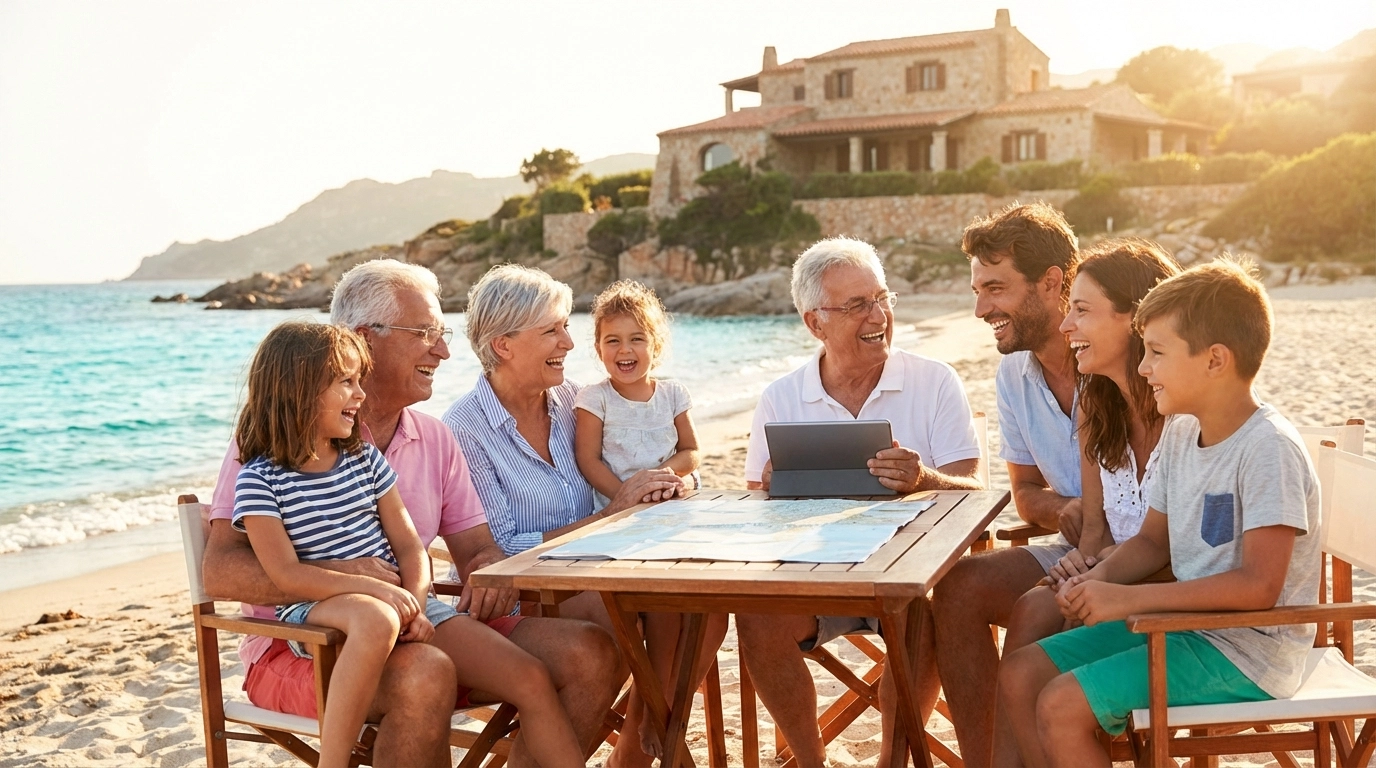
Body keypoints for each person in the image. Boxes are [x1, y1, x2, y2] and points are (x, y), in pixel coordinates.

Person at [202, 259, 620, 766]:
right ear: (363, 338)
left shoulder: (435, 438)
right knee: (424, 673)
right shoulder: (267, 445)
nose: (444, 350)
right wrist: (350, 580)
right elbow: (221, 570)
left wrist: (488, 572)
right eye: (425, 333)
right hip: (297, 645)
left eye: (441, 333)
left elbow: (476, 551)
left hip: (420, 618)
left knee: (588, 654)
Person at [999, 258, 1322, 767]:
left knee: (1062, 706)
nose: (1143, 366)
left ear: (1215, 360)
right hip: (1184, 628)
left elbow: (1260, 587)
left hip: (1247, 653)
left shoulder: (1267, 449)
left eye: (1156, 353)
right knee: (1022, 674)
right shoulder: (1180, 432)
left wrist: (1128, 601)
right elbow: (1151, 542)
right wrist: (1095, 583)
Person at [736, 236, 983, 767]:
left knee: (921, 612)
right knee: (755, 613)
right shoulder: (782, 397)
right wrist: (774, 490)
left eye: (881, 297)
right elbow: (753, 511)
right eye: (855, 306)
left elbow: (974, 494)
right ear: (814, 322)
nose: (878, 315)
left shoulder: (935, 381)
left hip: (913, 576)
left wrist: (925, 480)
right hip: (815, 576)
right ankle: (810, 761)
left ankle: (892, 762)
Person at [443, 263, 694, 767]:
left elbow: (642, 455)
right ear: (504, 346)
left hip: (598, 573)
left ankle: (633, 754)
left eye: (565, 327)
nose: (570, 343)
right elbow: (500, 550)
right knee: (618, 617)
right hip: (519, 597)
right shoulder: (463, 429)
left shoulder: (575, 400)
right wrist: (611, 514)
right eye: (553, 331)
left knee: (697, 607)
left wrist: (667, 482)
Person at [989, 239, 1180, 765]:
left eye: (1081, 310)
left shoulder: (1185, 415)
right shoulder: (1099, 405)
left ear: (1137, 321)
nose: (1066, 326)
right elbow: (1095, 530)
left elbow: (1182, 549)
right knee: (1033, 606)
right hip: (1121, 571)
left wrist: (1095, 581)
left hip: (1172, 598)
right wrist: (1081, 565)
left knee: (1055, 628)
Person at [930, 202, 1083, 768]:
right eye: (976, 290)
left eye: (995, 288)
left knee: (1038, 613)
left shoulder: (1123, 361)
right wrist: (1068, 508)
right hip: (1075, 547)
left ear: (1051, 283)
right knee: (958, 588)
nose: (980, 308)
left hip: (1140, 554)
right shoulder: (1013, 374)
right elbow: (1024, 493)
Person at [572, 279, 722, 759]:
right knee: (662, 599)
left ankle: (660, 710)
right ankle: (659, 717)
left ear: (655, 344)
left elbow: (692, 451)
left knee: (703, 603)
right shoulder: (593, 398)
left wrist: (664, 476)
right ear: (598, 348)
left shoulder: (672, 392)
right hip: (618, 520)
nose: (625, 349)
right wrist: (627, 497)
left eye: (637, 338)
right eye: (612, 340)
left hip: (673, 510)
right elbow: (588, 461)